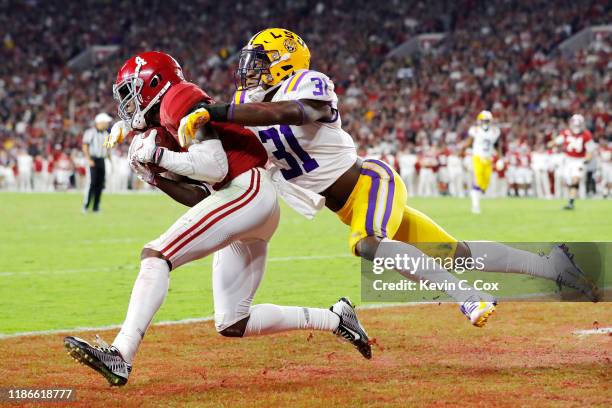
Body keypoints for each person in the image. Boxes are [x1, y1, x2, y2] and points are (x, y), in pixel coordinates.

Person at [180, 28, 600, 328]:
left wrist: (216, 112)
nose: (251, 72)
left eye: (261, 62)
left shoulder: (307, 84)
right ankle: (553, 265)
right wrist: (167, 137)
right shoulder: (243, 106)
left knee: (367, 245)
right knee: (457, 252)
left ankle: (467, 296)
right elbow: (219, 153)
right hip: (349, 207)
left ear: (285, 62)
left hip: (371, 183)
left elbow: (292, 113)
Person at [64, 52, 370, 387]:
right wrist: (157, 177)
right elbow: (201, 198)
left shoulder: (178, 97)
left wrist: (159, 156)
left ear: (152, 83)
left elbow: (215, 167)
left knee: (157, 255)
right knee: (233, 320)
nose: (128, 103)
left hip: (247, 189)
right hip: (247, 199)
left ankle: (121, 354)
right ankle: (337, 318)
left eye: (130, 92)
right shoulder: (164, 119)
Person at [551, 114, 595, 210]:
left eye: (578, 125)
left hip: (579, 160)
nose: (576, 128)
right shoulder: (566, 133)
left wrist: (586, 160)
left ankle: (571, 202)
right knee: (567, 180)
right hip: (567, 160)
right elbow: (555, 142)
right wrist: (552, 143)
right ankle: (570, 196)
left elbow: (590, 151)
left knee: (575, 179)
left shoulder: (586, 135)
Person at [464, 111, 501, 213]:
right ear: (479, 121)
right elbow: (469, 142)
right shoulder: (475, 130)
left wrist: (500, 157)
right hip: (478, 157)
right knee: (478, 180)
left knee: (485, 183)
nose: (485, 122)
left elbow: (497, 145)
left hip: (488, 158)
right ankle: (475, 205)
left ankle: (476, 197)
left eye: (487, 120)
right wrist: (461, 150)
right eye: (484, 120)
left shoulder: (494, 131)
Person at [82, 113, 112, 212]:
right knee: (92, 183)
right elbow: (85, 146)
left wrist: (109, 158)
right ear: (100, 122)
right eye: (106, 122)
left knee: (100, 184)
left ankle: (96, 207)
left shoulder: (106, 134)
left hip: (101, 160)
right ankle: (86, 206)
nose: (107, 124)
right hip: (93, 160)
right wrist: (89, 159)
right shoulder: (90, 132)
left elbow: (108, 149)